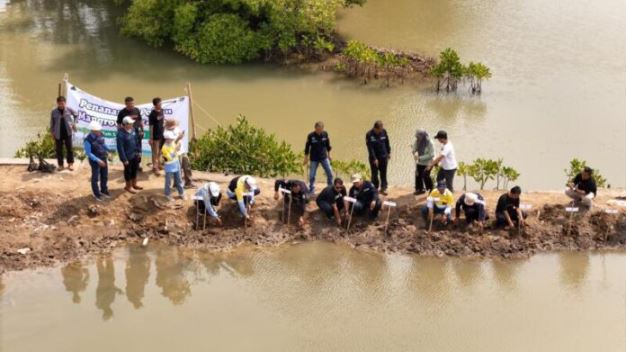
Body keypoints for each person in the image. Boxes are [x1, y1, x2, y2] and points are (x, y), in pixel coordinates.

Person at [83, 121, 110, 201]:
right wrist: (98, 160)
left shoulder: (101, 135)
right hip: (95, 160)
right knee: (95, 178)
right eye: (98, 130)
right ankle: (96, 194)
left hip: (103, 157)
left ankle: (104, 190)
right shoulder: (87, 140)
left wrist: (108, 150)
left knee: (104, 175)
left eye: (99, 130)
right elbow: (89, 153)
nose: (99, 132)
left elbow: (103, 144)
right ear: (93, 131)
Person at [304, 121, 333, 194]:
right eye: (317, 129)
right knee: (312, 175)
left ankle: (330, 188)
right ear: (315, 128)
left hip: (324, 157)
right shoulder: (310, 136)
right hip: (314, 158)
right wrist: (306, 158)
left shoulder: (325, 134)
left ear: (323, 129)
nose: (319, 131)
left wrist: (329, 154)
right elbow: (307, 147)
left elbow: (328, 145)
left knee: (330, 173)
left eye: (320, 129)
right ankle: (311, 189)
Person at [164, 117, 194, 188]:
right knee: (178, 169)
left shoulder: (177, 128)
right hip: (175, 153)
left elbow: (179, 132)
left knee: (187, 166)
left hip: (182, 151)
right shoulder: (167, 133)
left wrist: (181, 135)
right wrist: (179, 138)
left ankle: (188, 182)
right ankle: (177, 184)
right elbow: (171, 144)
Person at [50, 96, 77, 170]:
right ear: (57, 103)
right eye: (60, 104)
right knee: (59, 150)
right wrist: (52, 133)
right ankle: (60, 165)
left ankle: (70, 164)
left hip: (68, 132)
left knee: (69, 149)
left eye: (63, 103)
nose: (61, 105)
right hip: (58, 133)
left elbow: (76, 115)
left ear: (65, 103)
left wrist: (74, 123)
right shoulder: (53, 111)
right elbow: (52, 123)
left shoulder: (69, 109)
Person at [117, 97, 144, 172]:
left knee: (138, 149)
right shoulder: (122, 112)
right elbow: (119, 124)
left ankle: (138, 165)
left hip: (137, 133)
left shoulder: (136, 110)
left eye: (133, 103)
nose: (132, 105)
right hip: (127, 134)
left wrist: (142, 130)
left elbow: (140, 121)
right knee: (128, 149)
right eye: (130, 104)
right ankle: (127, 165)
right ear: (126, 104)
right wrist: (120, 132)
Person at [116, 116, 142, 194]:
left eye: (131, 123)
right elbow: (120, 148)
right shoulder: (120, 134)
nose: (132, 125)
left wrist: (139, 151)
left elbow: (137, 141)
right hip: (127, 157)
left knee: (135, 169)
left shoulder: (133, 130)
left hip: (135, 154)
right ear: (125, 124)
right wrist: (124, 159)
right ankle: (128, 186)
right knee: (128, 171)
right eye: (130, 123)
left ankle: (134, 184)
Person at [366, 120, 391, 195]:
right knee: (374, 174)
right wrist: (374, 158)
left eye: (382, 129)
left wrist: (389, 152)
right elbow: (370, 148)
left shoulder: (384, 132)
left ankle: (384, 187)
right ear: (375, 128)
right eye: (380, 129)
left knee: (383, 173)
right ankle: (375, 188)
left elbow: (387, 142)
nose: (381, 131)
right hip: (374, 158)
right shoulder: (369, 134)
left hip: (383, 156)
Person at [161, 130, 185, 200]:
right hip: (169, 167)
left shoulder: (173, 143)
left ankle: (181, 193)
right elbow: (169, 158)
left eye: (172, 138)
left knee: (179, 179)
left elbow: (176, 153)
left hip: (176, 164)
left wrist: (178, 148)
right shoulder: (164, 148)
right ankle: (167, 194)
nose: (172, 139)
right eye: (171, 138)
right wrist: (176, 150)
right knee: (168, 181)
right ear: (166, 139)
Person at [412, 129, 435, 195]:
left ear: (423, 136)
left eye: (418, 137)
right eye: (417, 137)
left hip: (429, 163)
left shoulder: (430, 143)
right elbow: (414, 148)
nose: (417, 138)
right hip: (420, 162)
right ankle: (419, 189)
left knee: (426, 176)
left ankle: (431, 190)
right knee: (418, 175)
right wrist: (413, 151)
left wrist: (420, 158)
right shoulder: (417, 141)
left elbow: (431, 154)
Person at [148, 97, 165, 175]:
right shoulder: (152, 114)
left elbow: (163, 121)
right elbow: (151, 127)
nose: (161, 105)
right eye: (159, 104)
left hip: (162, 135)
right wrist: (151, 138)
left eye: (161, 103)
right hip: (155, 136)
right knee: (155, 152)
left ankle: (158, 164)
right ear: (155, 105)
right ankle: (155, 168)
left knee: (160, 151)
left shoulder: (162, 110)